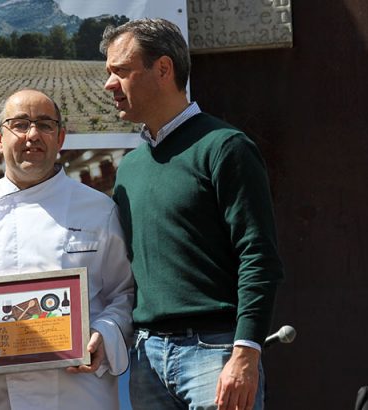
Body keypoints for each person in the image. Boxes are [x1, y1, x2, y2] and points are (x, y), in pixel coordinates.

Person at [100, 18, 284, 410]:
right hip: (146, 358)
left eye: (120, 72)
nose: (109, 85)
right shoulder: (130, 168)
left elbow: (259, 257)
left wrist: (245, 353)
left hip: (215, 354)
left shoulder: (225, 147)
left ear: (163, 69)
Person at [0, 89, 134, 410]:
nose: (33, 134)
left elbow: (124, 294)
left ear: (60, 139)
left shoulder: (98, 209)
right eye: (20, 124)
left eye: (45, 125)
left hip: (80, 393)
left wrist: (106, 335)